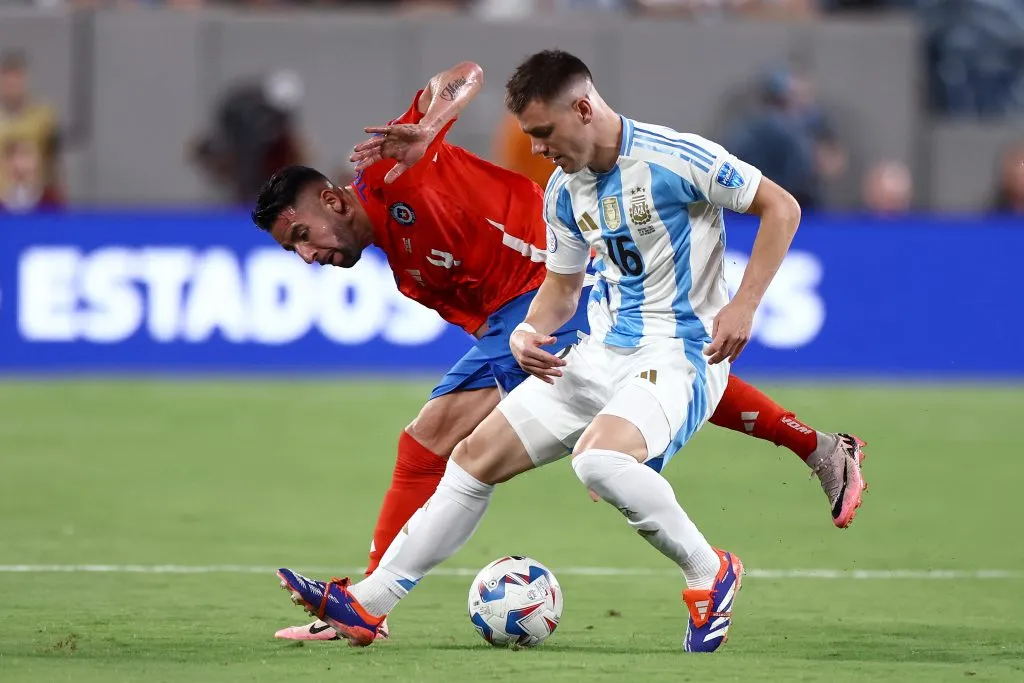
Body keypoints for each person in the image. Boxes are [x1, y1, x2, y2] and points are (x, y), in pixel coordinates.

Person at [253, 58, 866, 643]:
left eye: (302, 235)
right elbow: (553, 293)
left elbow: (463, 75)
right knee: (452, 447)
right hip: (533, 309)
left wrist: (433, 127)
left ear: (332, 200)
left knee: (491, 439)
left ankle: (367, 606)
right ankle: (368, 603)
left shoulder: (396, 168)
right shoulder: (433, 255)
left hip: (541, 293)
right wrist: (522, 336)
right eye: (294, 249)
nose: (308, 255)